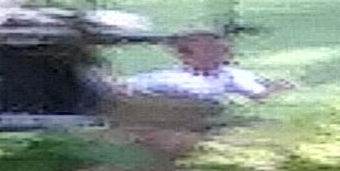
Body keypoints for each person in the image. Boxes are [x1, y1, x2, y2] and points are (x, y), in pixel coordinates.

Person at [115, 28, 286, 109]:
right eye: (210, 50)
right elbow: (121, 89)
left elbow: (264, 96)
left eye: (223, 50)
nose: (221, 55)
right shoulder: (163, 79)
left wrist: (279, 88)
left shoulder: (238, 76)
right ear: (184, 55)